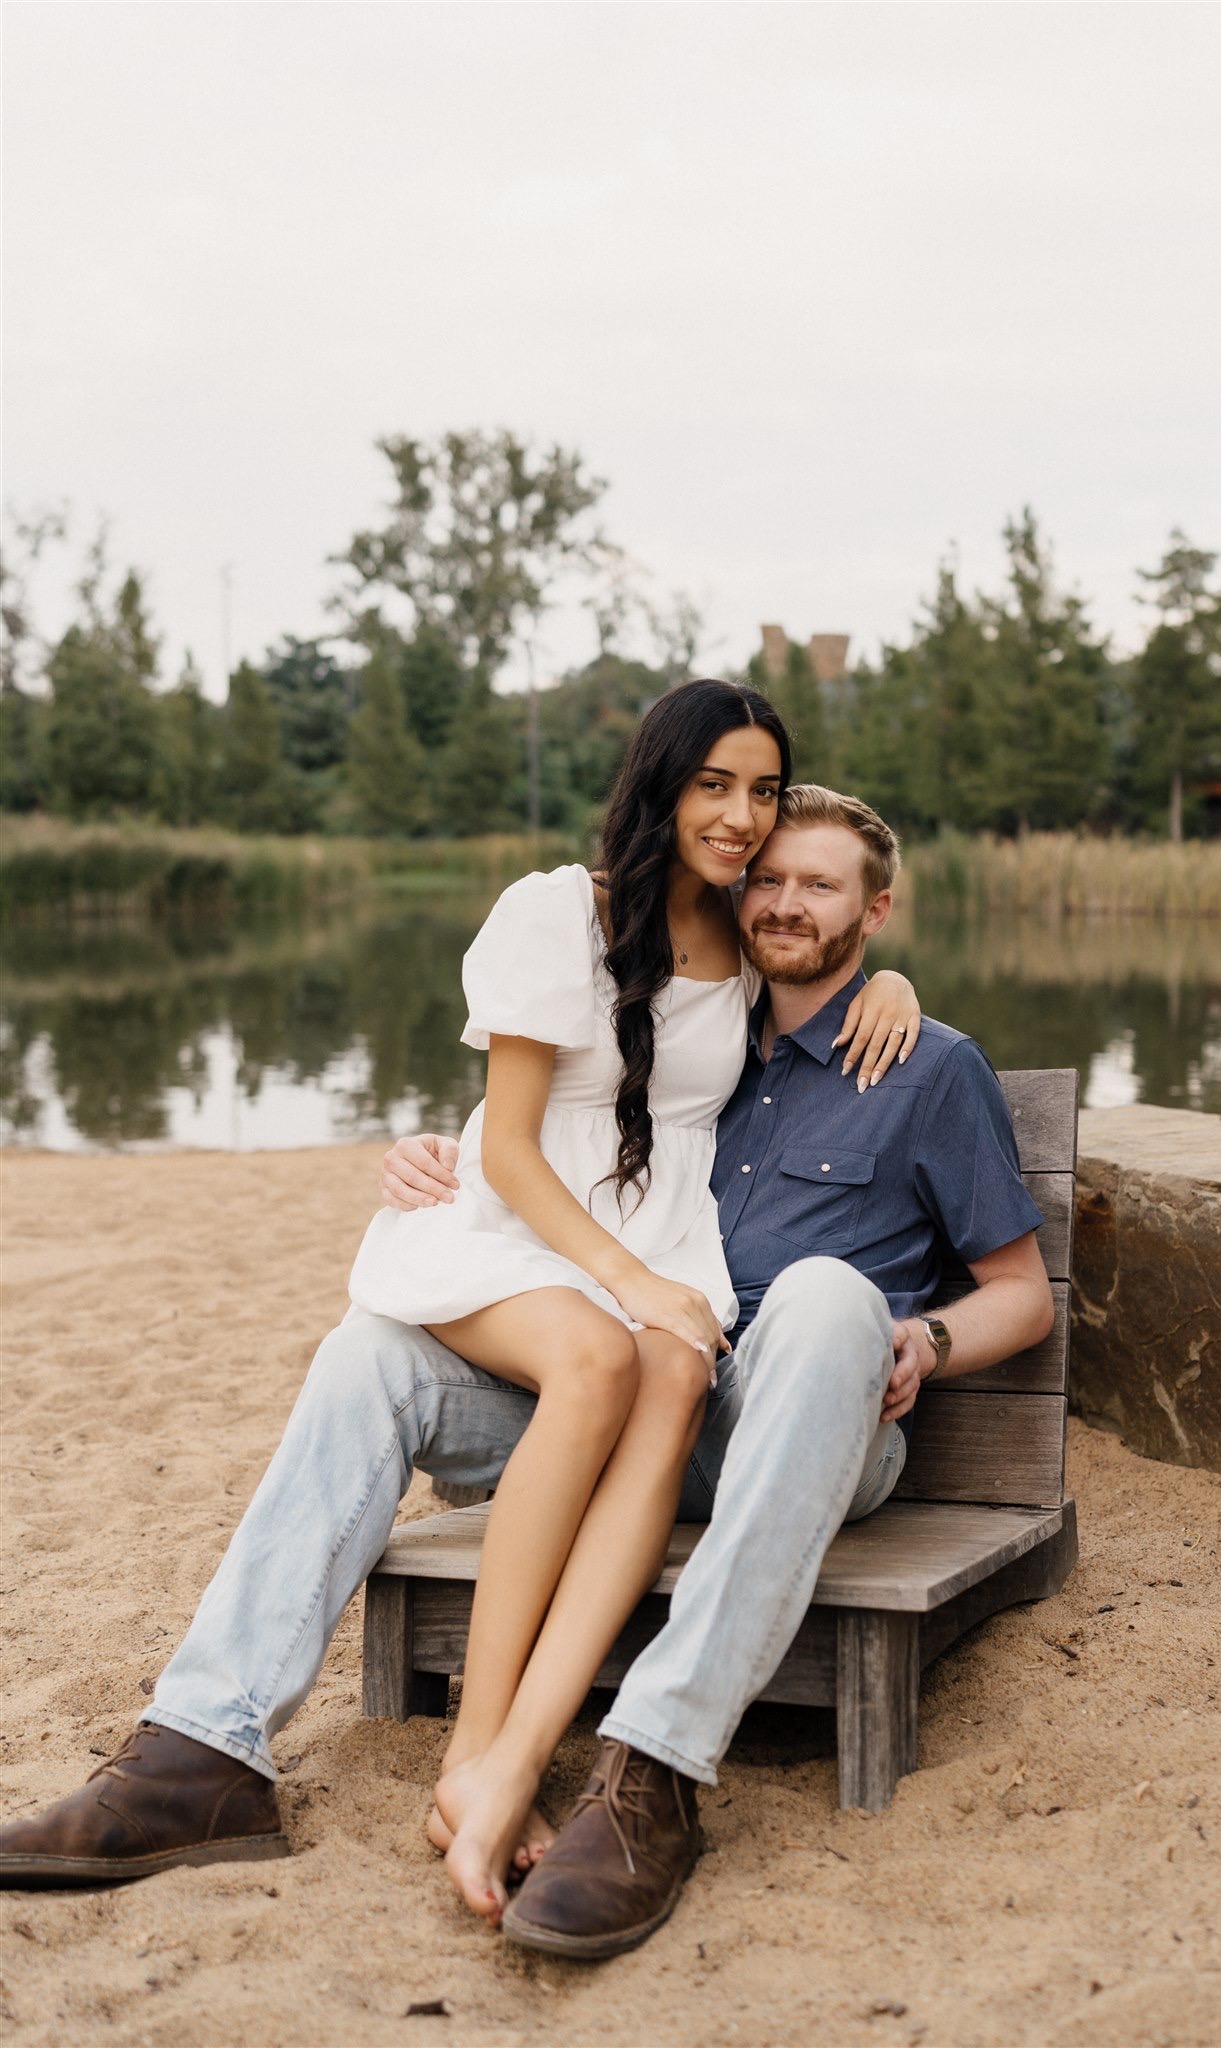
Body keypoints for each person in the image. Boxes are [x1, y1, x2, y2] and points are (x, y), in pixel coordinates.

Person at [0, 688, 918, 1906]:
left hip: (661, 1249)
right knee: (455, 1353)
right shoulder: (554, 912)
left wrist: (891, 980)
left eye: (762, 788)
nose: (744, 817)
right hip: (529, 1233)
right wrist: (619, 1270)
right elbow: (520, 1147)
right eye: (714, 783)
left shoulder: (747, 942)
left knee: (667, 1362)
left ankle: (504, 1757)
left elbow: (825, 943)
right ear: (658, 781)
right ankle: (238, 1749)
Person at [378, 783, 1055, 1959]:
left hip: (832, 1418)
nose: (787, 901)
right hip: (672, 1406)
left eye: (823, 883)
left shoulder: (930, 1066)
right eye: (771, 879)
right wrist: (438, 1152)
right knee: (371, 1343)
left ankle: (652, 1762)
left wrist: (928, 1338)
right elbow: (564, 1122)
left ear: (877, 907)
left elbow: (1024, 1293)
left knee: (827, 1288)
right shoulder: (709, 1042)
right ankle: (209, 1731)